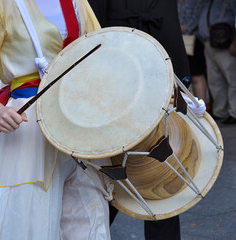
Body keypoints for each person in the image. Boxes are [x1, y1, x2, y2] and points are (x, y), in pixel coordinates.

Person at [0, 0, 113, 239]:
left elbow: (102, 52)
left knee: (87, 223)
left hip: (78, 122)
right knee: (25, 223)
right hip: (25, 126)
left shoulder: (76, 2)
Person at [87, 0, 196, 239]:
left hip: (159, 76)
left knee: (161, 167)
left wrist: (182, 81)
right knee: (112, 168)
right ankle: (93, 230)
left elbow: (168, 22)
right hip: (116, 78)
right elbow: (93, 27)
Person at [197, 0, 236, 124]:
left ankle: (234, 112)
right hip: (209, 41)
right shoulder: (208, 2)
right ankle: (221, 112)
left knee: (231, 78)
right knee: (215, 80)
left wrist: (234, 42)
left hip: (225, 42)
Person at [178, 0, 210, 110]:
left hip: (194, 41)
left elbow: (190, 24)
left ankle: (203, 107)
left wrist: (172, 27)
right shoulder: (180, 2)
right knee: (189, 76)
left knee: (197, 76)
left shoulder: (196, 2)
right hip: (182, 41)